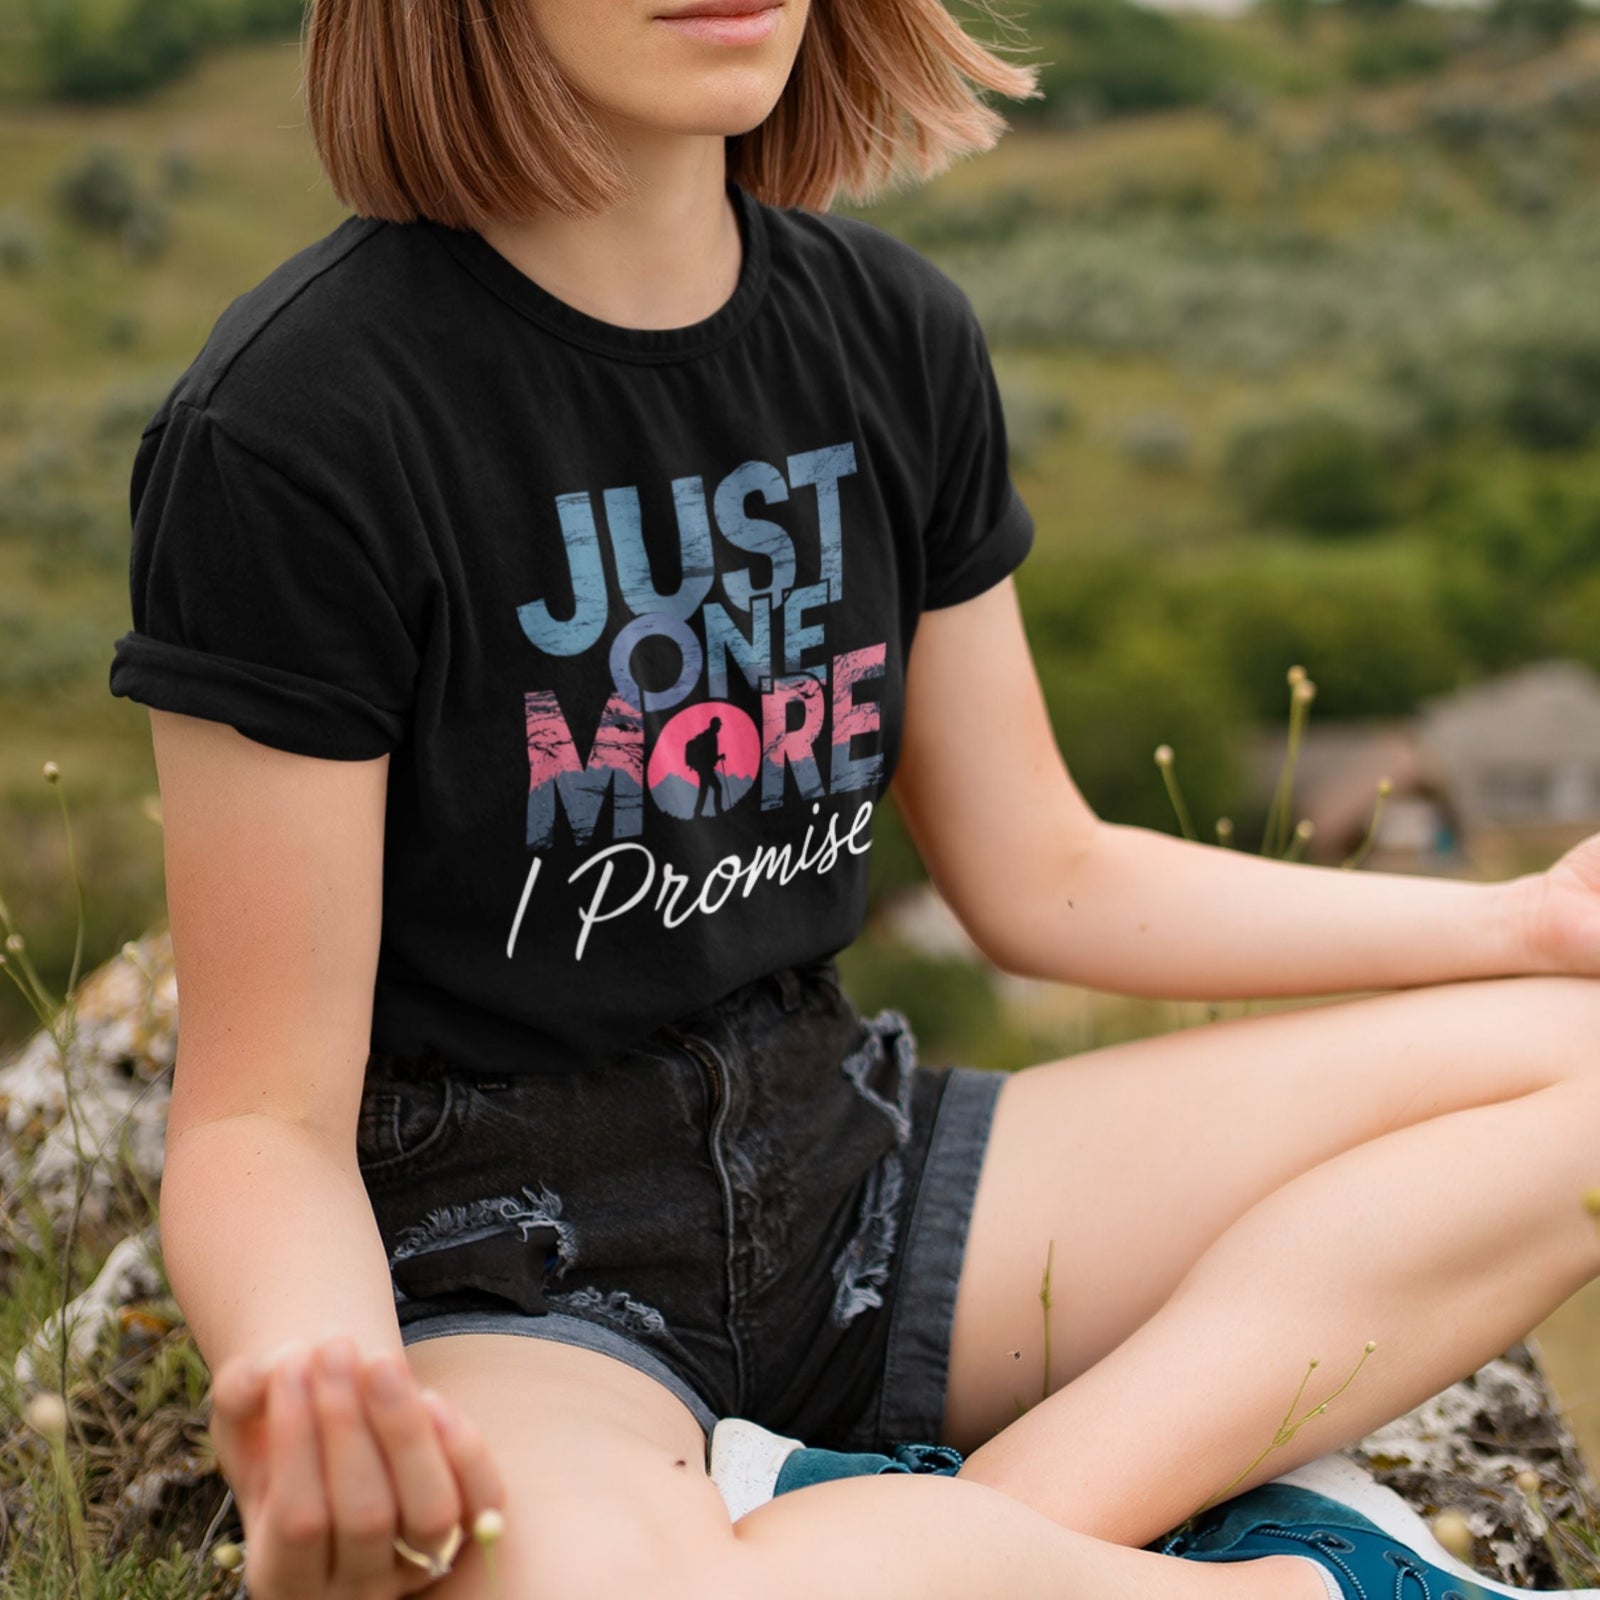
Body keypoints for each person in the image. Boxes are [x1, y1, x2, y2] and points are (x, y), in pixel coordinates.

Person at [104, 0, 1600, 1596]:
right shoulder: (295, 425)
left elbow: (1046, 872)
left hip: (860, 1177)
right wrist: (323, 1380)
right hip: (509, 1277)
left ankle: (976, 1527)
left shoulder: (890, 330)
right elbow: (264, 1116)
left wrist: (1522, 919)